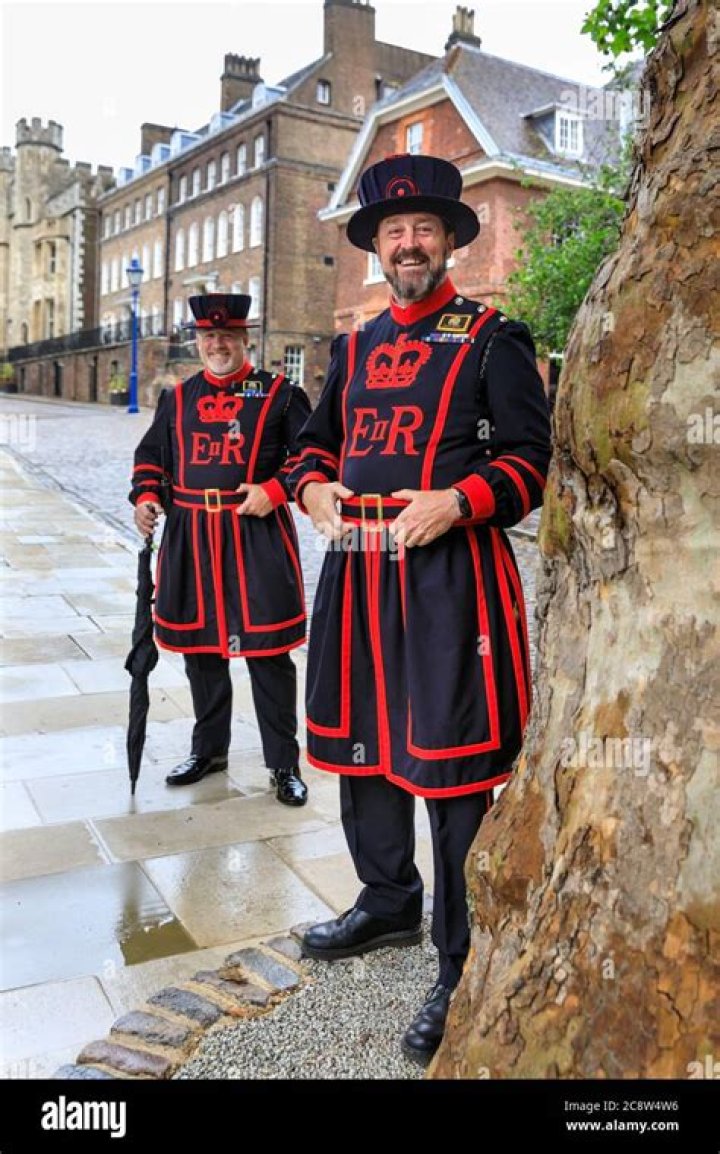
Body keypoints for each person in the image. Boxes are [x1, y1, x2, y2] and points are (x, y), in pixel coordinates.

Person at [289, 154, 552, 1063]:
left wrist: (460, 500)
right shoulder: (355, 346)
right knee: (362, 746)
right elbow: (311, 447)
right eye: (393, 232)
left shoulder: (492, 338)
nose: (408, 244)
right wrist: (312, 489)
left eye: (423, 230)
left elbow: (529, 462)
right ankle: (387, 901)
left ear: (447, 242)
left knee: (449, 766)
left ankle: (461, 961)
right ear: (377, 245)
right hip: (357, 569)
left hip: (449, 578)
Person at [130, 293, 311, 806]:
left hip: (255, 537)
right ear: (198, 341)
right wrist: (146, 496)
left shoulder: (280, 394)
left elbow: (313, 456)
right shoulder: (178, 398)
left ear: (243, 338)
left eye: (227, 335)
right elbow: (151, 456)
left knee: (268, 654)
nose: (217, 344)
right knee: (201, 651)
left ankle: (283, 763)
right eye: (209, 336)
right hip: (191, 537)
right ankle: (209, 751)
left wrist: (274, 489)